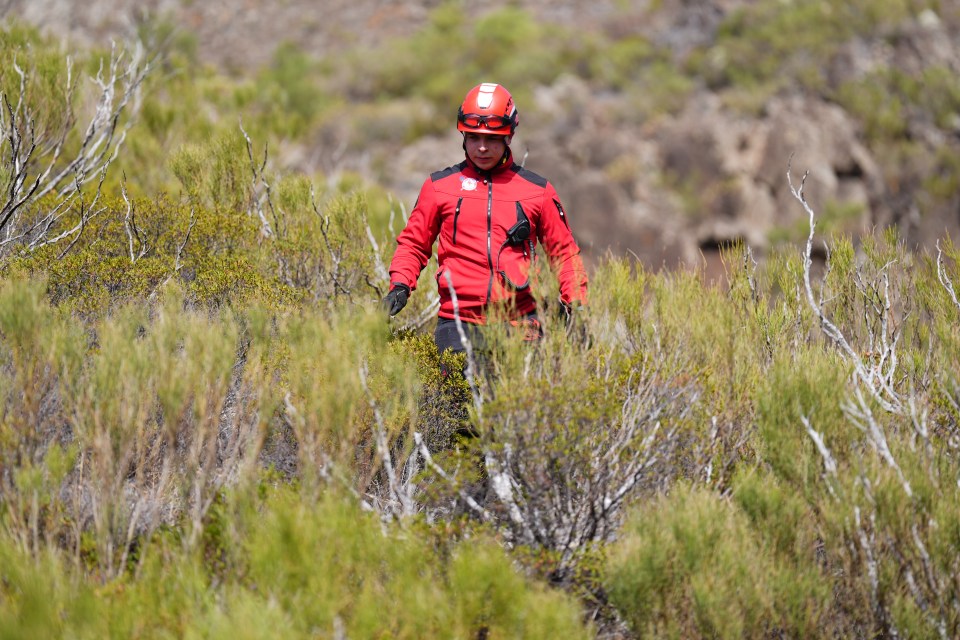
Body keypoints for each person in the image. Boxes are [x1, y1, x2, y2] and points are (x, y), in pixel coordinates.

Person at [383, 82, 588, 355]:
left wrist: (576, 303)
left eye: (491, 139)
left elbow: (563, 253)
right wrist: (400, 285)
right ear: (463, 136)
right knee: (457, 398)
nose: (481, 148)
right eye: (473, 137)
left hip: (521, 325)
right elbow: (414, 244)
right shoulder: (439, 187)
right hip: (457, 325)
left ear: (509, 137)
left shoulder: (538, 192)